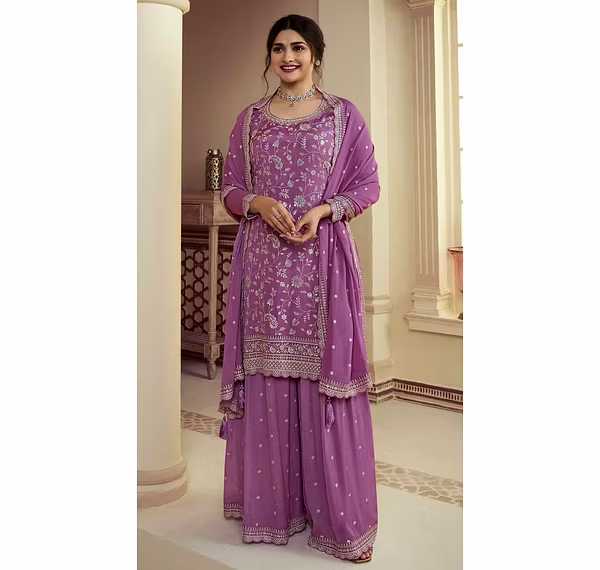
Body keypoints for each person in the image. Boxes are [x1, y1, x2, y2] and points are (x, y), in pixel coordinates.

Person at [218, 14, 380, 563]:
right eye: (278, 48)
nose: (288, 57)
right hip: (264, 268)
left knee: (324, 380)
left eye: (299, 47)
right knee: (268, 375)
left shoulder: (342, 116)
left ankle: (335, 518)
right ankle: (274, 511)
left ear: (315, 55)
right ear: (269, 56)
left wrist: (324, 210)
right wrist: (257, 203)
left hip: (322, 264)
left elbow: (368, 185)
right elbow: (232, 190)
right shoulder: (250, 121)